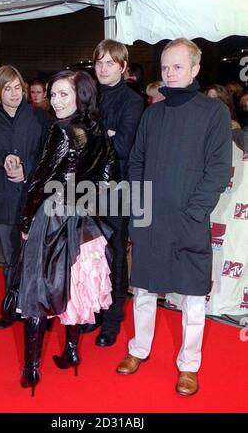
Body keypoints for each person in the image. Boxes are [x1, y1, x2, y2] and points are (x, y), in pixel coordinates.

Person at [116, 38, 232, 396]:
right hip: (151, 217)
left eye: (177, 66)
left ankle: (189, 365)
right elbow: (136, 162)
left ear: (195, 69)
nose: (169, 73)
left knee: (194, 298)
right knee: (145, 291)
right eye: (165, 66)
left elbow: (217, 169)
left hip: (189, 219)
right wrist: (140, 205)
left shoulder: (213, 113)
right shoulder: (153, 113)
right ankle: (139, 349)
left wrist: (195, 212)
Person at [17, 70, 115, 396]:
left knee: (37, 289)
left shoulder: (60, 132)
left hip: (54, 219)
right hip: (85, 222)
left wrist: (27, 222)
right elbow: (106, 177)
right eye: (53, 94)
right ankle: (71, 351)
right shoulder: (99, 131)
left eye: (63, 94)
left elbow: (39, 181)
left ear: (80, 96)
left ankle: (31, 369)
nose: (56, 101)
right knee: (76, 288)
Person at [0, 65, 52, 328]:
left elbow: (50, 155)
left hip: (36, 199)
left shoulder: (41, 119)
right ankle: (12, 308)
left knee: (38, 258)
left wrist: (26, 167)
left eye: (19, 88)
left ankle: (42, 311)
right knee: (11, 258)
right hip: (4, 200)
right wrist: (1, 158)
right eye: (8, 88)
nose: (15, 93)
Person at [85, 39, 144, 347]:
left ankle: (113, 318)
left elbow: (122, 147)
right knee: (90, 254)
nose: (104, 68)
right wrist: (104, 135)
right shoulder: (89, 97)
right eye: (99, 62)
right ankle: (94, 310)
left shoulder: (132, 101)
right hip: (86, 189)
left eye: (110, 62)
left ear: (123, 67)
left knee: (115, 255)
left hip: (116, 190)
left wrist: (94, 137)